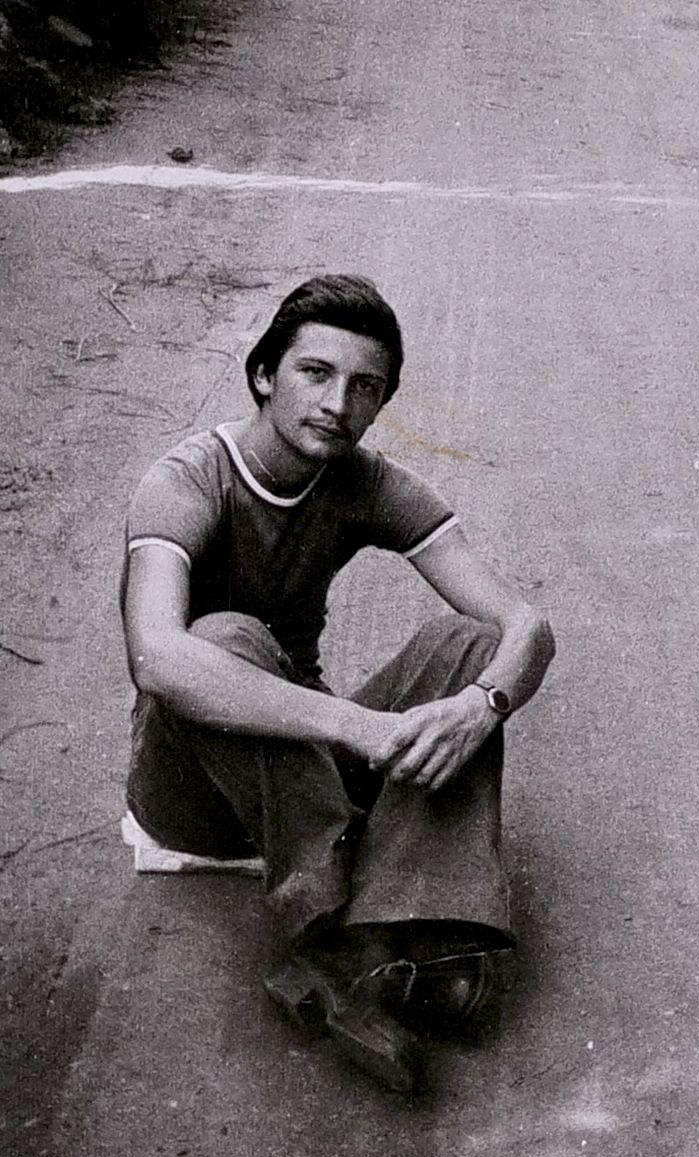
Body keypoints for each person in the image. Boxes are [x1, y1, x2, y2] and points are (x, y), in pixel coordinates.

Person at [120, 275, 555, 1092]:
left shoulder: (368, 482)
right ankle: (333, 929)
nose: (337, 403)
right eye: (315, 373)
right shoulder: (186, 479)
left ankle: (412, 924)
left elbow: (525, 626)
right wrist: (360, 727)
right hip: (194, 792)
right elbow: (158, 659)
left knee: (467, 642)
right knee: (222, 636)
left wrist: (481, 704)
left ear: (381, 403)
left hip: (304, 776)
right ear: (264, 374)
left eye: (365, 387)